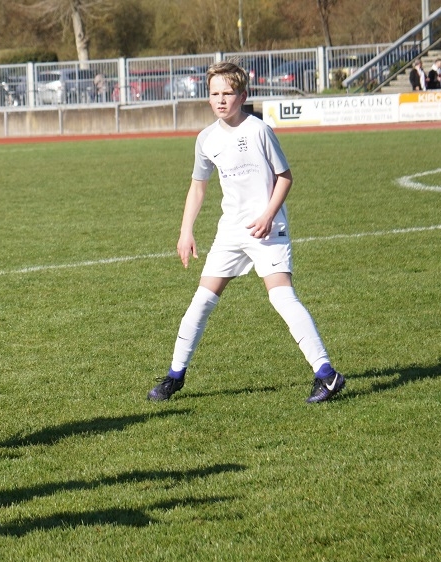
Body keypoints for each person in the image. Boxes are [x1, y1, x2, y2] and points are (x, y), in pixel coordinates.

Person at [146, 61, 345, 405]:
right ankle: (174, 376)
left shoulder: (259, 130)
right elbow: (198, 187)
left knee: (281, 297)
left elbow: (285, 177)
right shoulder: (206, 139)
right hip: (231, 230)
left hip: (267, 228)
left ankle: (326, 374)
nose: (221, 100)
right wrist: (185, 231)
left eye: (228, 93)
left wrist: (268, 215)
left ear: (243, 95)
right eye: (214, 94)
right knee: (201, 301)